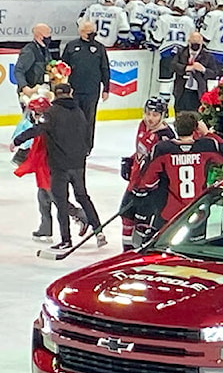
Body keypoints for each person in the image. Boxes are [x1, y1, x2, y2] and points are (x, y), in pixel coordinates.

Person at [13, 84, 105, 250]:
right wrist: (84, 152)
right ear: (70, 93)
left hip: (60, 165)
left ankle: (66, 240)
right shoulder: (79, 112)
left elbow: (37, 130)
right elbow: (87, 133)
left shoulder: (51, 113)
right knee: (82, 196)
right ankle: (99, 231)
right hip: (78, 163)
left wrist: (17, 140)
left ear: (55, 95)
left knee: (60, 202)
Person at [135, 112, 223, 229]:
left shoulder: (163, 149)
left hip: (169, 213)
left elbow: (147, 182)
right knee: (194, 245)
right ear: (195, 128)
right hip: (197, 210)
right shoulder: (206, 147)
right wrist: (207, 133)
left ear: (176, 128)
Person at [119, 97, 175, 250]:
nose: (150, 118)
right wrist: (131, 161)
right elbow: (141, 152)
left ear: (164, 115)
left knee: (143, 225)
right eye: (148, 113)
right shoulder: (142, 125)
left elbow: (164, 167)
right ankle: (126, 253)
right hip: (134, 184)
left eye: (155, 115)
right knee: (126, 217)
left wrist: (149, 185)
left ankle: (139, 254)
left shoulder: (166, 137)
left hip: (151, 191)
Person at [60, 21, 110, 144]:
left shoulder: (99, 48)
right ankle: (72, 143)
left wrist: (106, 88)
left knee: (89, 119)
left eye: (93, 31)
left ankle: (87, 145)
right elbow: (62, 67)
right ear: (81, 32)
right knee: (73, 119)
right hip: (74, 90)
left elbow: (104, 68)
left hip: (91, 91)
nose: (92, 34)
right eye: (89, 32)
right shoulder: (71, 46)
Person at [152, 0, 196, 105]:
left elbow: (156, 40)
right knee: (180, 83)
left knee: (165, 83)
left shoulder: (163, 19)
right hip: (183, 57)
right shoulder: (189, 21)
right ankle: (179, 107)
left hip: (167, 55)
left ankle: (163, 107)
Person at [172, 32, 220, 113]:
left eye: (198, 43)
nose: (195, 45)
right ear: (189, 41)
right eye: (193, 43)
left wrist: (203, 69)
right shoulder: (181, 52)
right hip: (182, 91)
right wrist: (186, 68)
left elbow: (214, 73)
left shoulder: (207, 56)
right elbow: (173, 65)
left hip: (198, 92)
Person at [14, 24, 54, 102]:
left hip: (44, 89)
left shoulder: (45, 50)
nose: (50, 36)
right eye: (48, 33)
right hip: (32, 92)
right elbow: (18, 70)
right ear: (40, 36)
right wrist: (24, 87)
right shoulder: (29, 51)